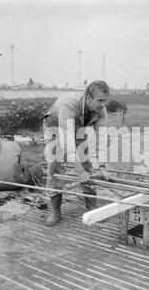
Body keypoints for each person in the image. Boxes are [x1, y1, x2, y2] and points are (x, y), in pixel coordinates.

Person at [43, 80, 112, 226]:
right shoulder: (69, 105)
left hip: (78, 127)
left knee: (86, 162)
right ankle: (55, 211)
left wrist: (103, 167)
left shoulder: (101, 110)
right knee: (54, 165)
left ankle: (91, 208)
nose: (102, 105)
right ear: (88, 98)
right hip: (55, 126)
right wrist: (79, 171)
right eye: (99, 100)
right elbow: (68, 145)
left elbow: (101, 139)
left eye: (104, 101)